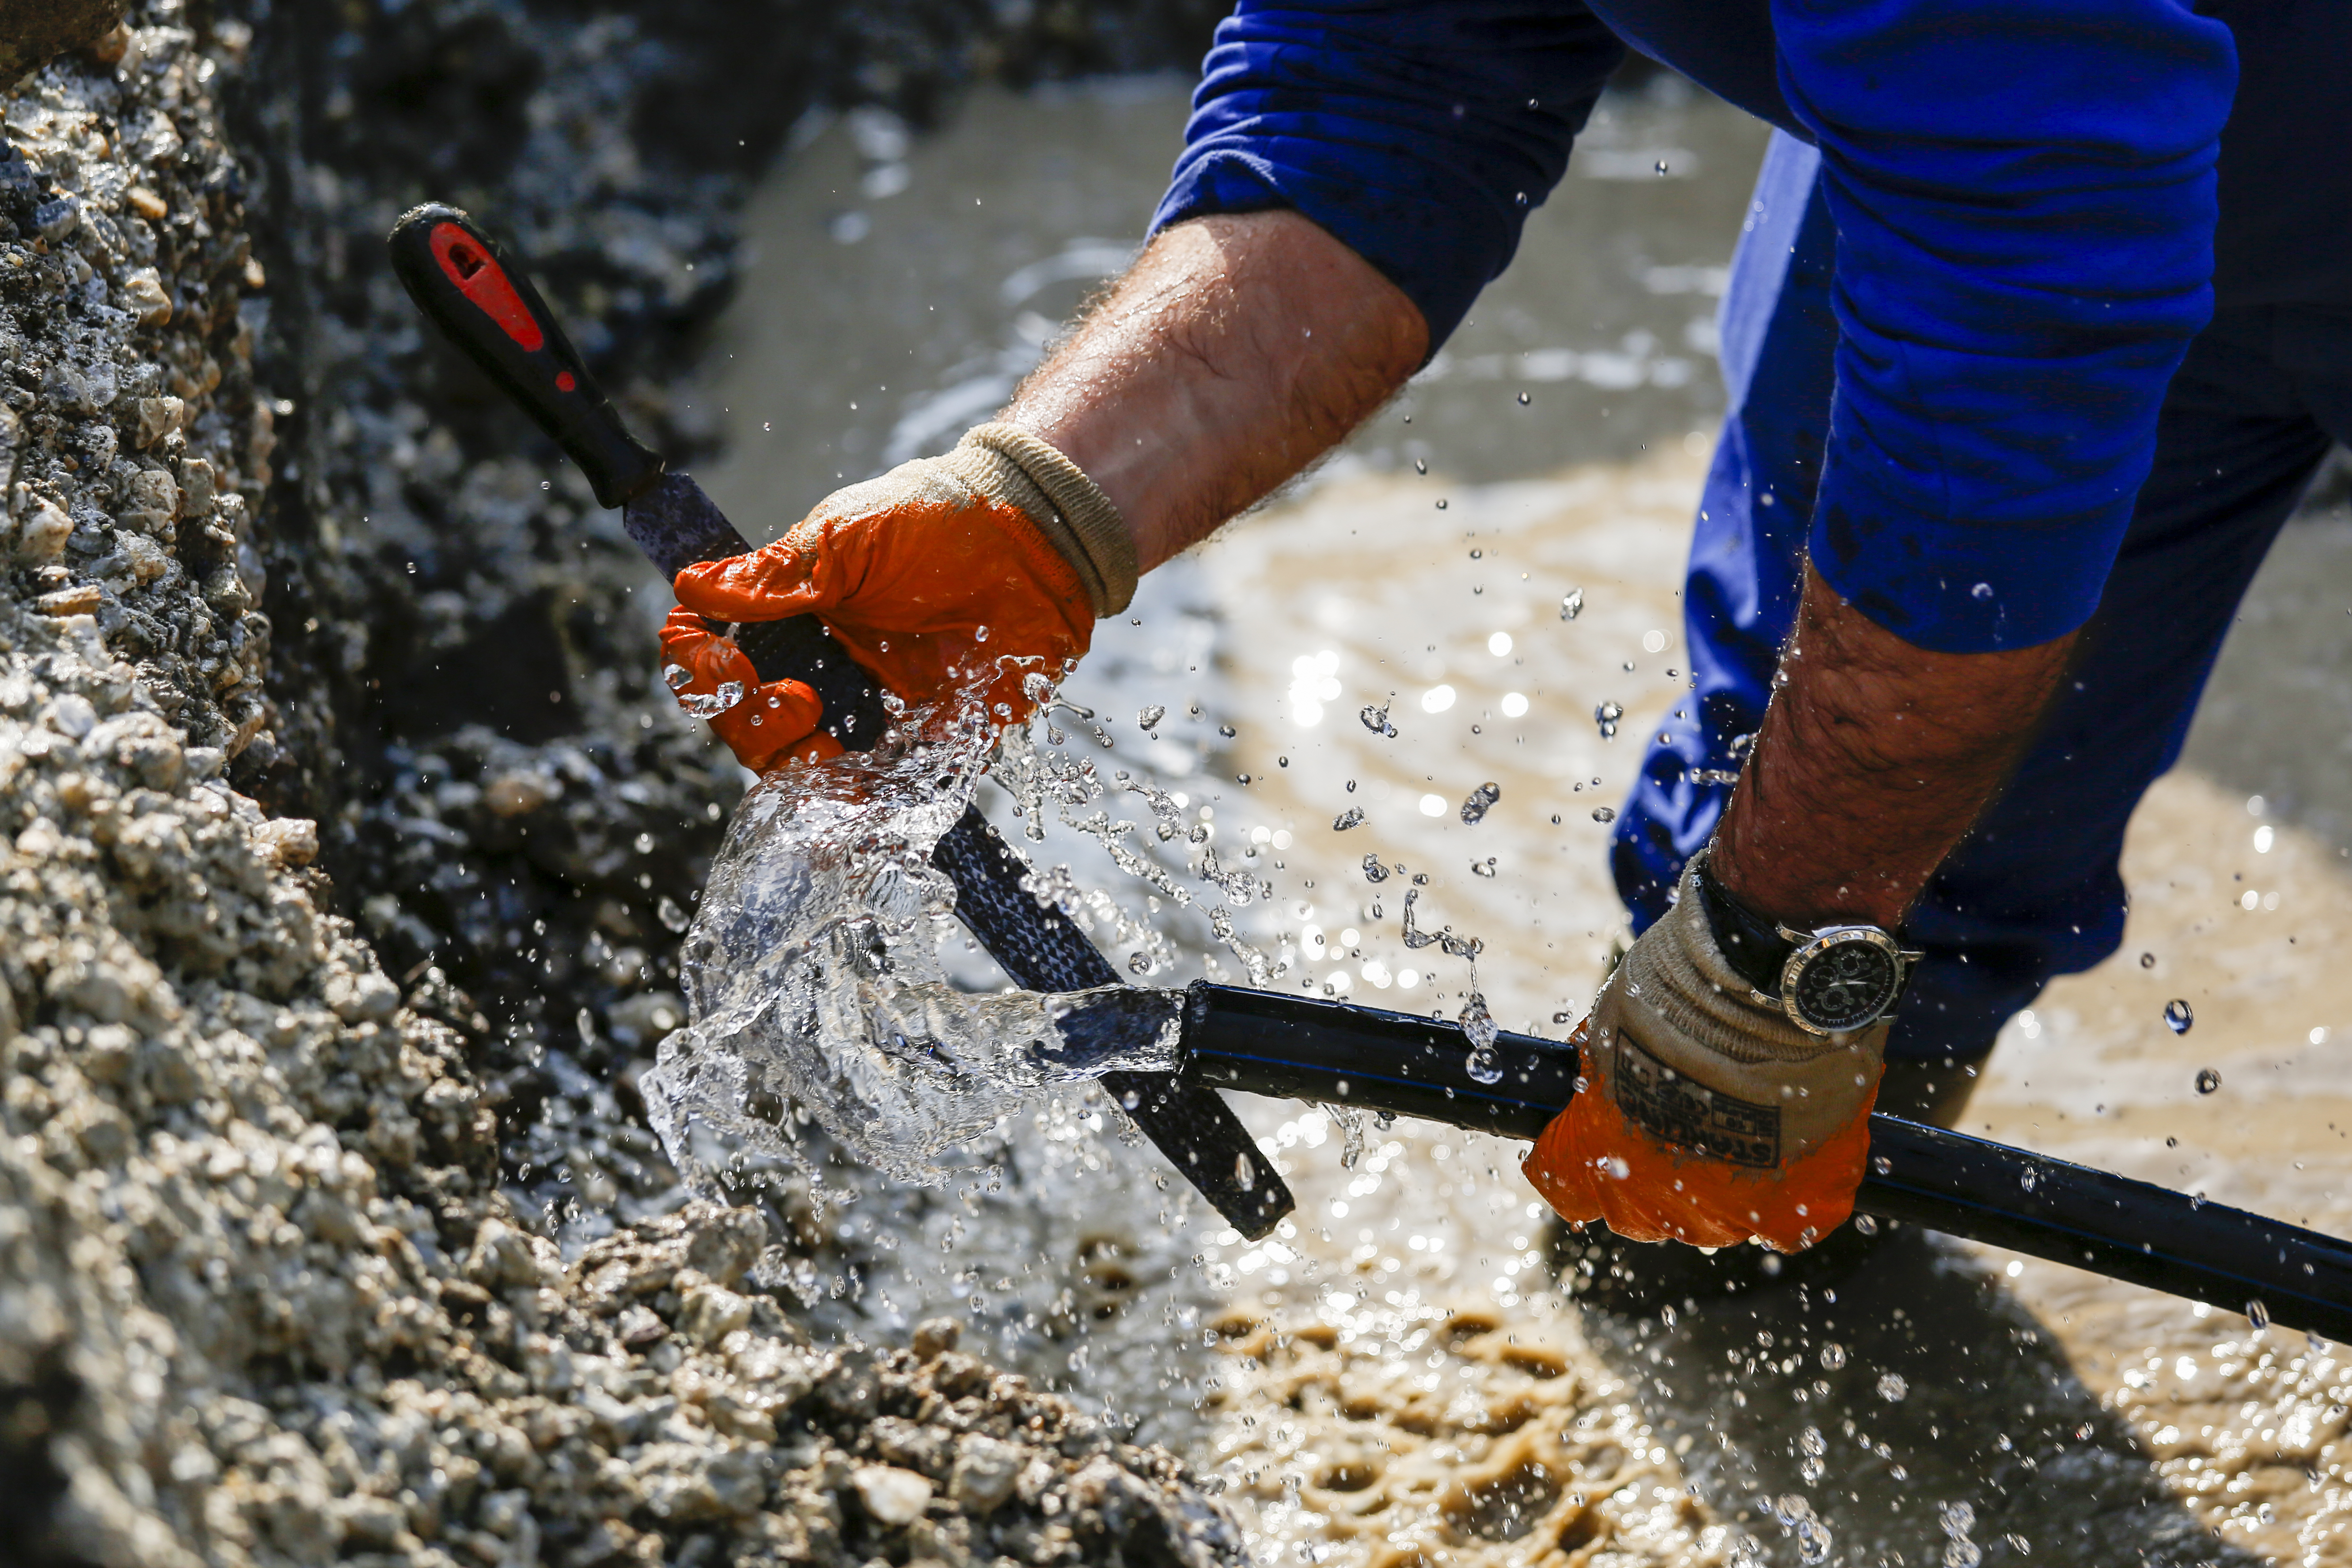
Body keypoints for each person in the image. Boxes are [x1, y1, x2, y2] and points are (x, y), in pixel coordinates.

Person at [662, 0, 2352, 1277]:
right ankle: (1777, 1218)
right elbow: (1384, 86)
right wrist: (1041, 506)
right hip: (2036, 139)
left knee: (1789, 926)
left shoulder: (2028, 180)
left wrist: (1782, 949)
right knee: (1813, 899)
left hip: (2051, 158)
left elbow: (2026, 321)